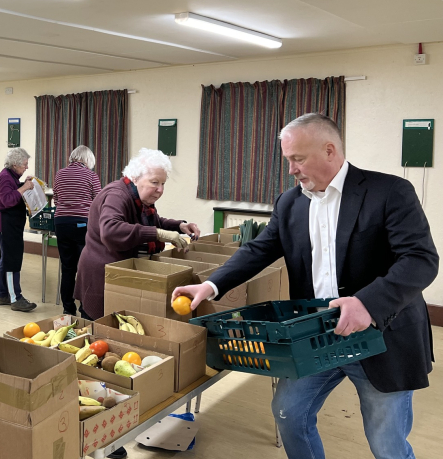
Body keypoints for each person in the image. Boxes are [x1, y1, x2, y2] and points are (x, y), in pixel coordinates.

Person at [173, 113, 438, 459]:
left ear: (330, 151)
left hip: (380, 336)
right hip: (315, 338)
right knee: (290, 413)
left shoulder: (388, 192)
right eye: (288, 160)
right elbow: (259, 249)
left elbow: (420, 259)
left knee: (386, 442)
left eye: (298, 159)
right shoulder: (290, 203)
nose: (291, 169)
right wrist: (210, 286)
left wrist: (367, 304)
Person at [74, 148, 201, 321]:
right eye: (155, 182)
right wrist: (158, 233)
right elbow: (111, 229)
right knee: (98, 328)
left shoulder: (138, 199)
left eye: (163, 184)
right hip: (101, 276)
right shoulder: (117, 195)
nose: (160, 190)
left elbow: (152, 222)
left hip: (119, 272)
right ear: (135, 177)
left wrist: (179, 226)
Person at [53, 145, 102, 316]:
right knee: (84, 268)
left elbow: (56, 200)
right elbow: (99, 201)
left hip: (61, 223)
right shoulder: (91, 175)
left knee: (67, 267)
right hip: (82, 225)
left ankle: (68, 308)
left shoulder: (59, 173)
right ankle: (85, 308)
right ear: (88, 160)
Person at [0, 147, 37, 312]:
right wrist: (23, 188)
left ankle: (2, 294)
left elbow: (12, 192)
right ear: (15, 164)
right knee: (11, 261)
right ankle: (16, 298)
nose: (26, 167)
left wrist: (24, 184)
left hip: (9, 225)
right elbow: (8, 200)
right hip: (4, 225)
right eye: (24, 164)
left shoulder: (12, 176)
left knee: (7, 259)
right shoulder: (5, 177)